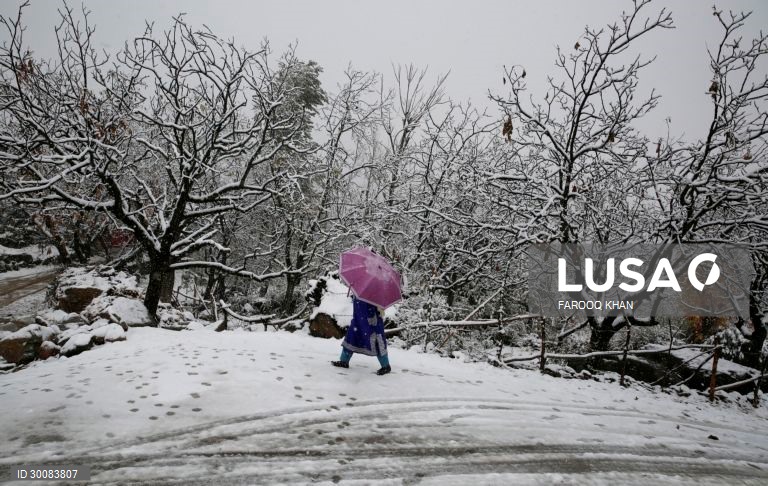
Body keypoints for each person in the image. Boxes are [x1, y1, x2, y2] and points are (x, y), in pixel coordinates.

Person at [331, 296, 391, 375]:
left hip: (371, 321)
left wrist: (378, 310)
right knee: (351, 338)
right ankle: (344, 361)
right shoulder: (360, 289)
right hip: (358, 319)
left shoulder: (376, 291)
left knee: (377, 341)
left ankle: (386, 366)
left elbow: (380, 307)